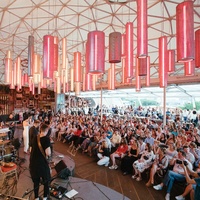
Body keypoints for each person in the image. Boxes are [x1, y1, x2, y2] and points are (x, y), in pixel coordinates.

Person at [29, 123, 51, 200]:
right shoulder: (46, 139)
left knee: (36, 182)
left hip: (33, 163)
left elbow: (30, 150)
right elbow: (48, 153)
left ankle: (36, 198)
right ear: (47, 130)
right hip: (42, 164)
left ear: (40, 129)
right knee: (46, 180)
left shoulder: (35, 138)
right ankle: (45, 197)